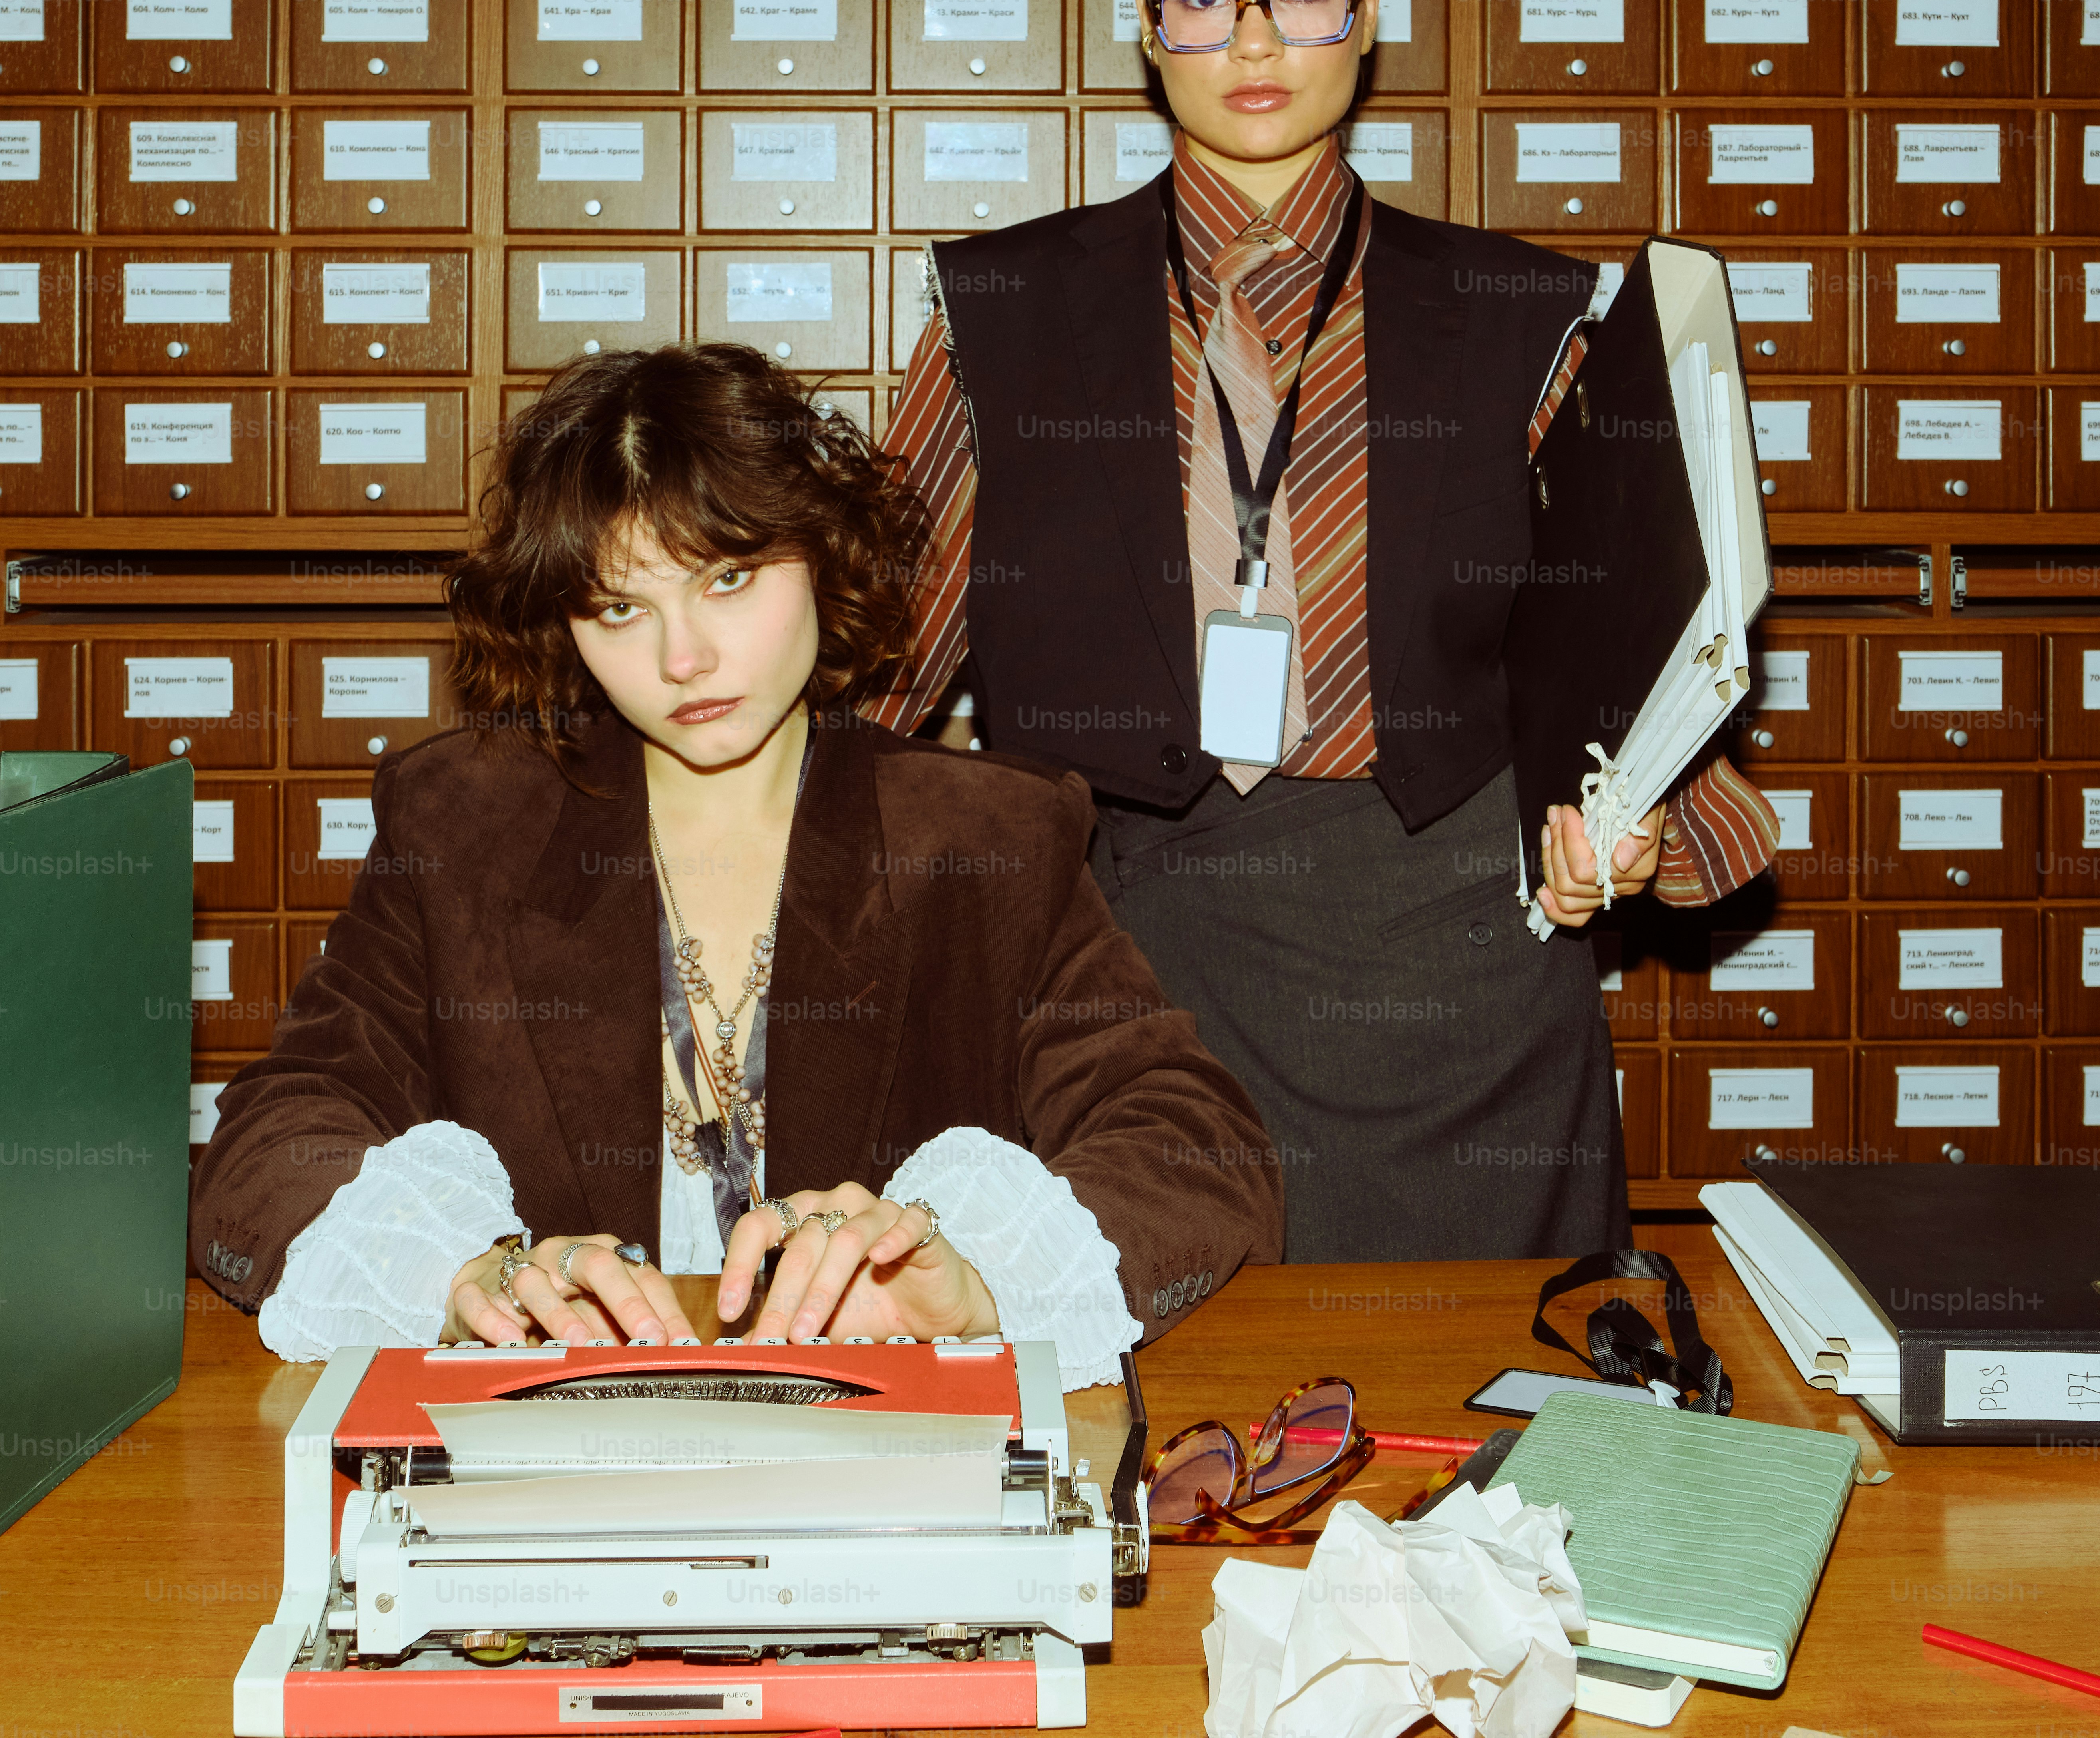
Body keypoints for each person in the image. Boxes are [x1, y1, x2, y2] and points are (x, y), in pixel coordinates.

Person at [862, 0, 1781, 1263]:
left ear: (1368, 19)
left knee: (1482, 1467)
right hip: (1113, 979)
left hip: (1452, 992)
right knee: (1157, 1451)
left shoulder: (1526, 316)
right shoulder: (1007, 312)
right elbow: (869, 673)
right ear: (1146, 30)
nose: (1254, 36)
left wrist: (1639, 820)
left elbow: (1631, 662)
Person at [187, 342, 1284, 1386]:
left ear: (821, 555)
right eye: (620, 607)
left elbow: (1197, 1147)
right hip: (555, 1477)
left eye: (727, 579)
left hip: (883, 1475)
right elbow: (273, 1140)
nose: (682, 658)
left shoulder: (987, 836)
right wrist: (456, 1273)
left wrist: (982, 1283)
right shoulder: (463, 824)